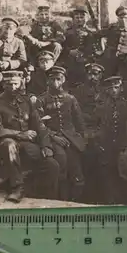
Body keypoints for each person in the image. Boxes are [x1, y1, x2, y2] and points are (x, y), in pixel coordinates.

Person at [0, 70, 59, 203]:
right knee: (9, 145)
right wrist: (20, 134)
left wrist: (46, 146)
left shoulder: (27, 101)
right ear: (3, 85)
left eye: (16, 84)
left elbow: (39, 126)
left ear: (21, 83)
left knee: (51, 164)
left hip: (26, 143)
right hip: (6, 141)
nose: (13, 87)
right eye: (9, 84)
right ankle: (17, 187)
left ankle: (45, 196)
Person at [37, 66, 87, 201]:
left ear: (63, 80)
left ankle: (75, 201)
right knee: (61, 166)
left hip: (71, 140)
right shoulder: (41, 100)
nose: (55, 82)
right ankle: (61, 201)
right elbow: (38, 124)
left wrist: (82, 139)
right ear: (47, 81)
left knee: (76, 172)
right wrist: (53, 136)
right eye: (52, 79)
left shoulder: (70, 99)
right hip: (53, 139)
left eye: (58, 79)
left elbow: (79, 122)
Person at [93, 76, 127, 205]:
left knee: (126, 176)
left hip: (124, 146)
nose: (113, 91)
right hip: (107, 146)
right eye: (110, 88)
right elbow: (96, 126)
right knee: (109, 176)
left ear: (121, 89)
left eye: (116, 87)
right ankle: (111, 203)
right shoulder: (101, 107)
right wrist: (98, 142)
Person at [71, 63, 105, 203]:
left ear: (101, 75)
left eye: (96, 74)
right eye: (90, 74)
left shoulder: (105, 91)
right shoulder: (78, 91)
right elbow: (75, 112)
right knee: (84, 161)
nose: (93, 77)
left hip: (101, 130)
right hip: (83, 128)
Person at [61, 6, 103, 87]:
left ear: (86, 19)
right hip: (71, 62)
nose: (79, 19)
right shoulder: (67, 33)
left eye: (82, 17)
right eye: (77, 17)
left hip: (87, 62)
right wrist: (70, 51)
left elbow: (97, 49)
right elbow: (62, 47)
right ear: (73, 19)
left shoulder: (92, 33)